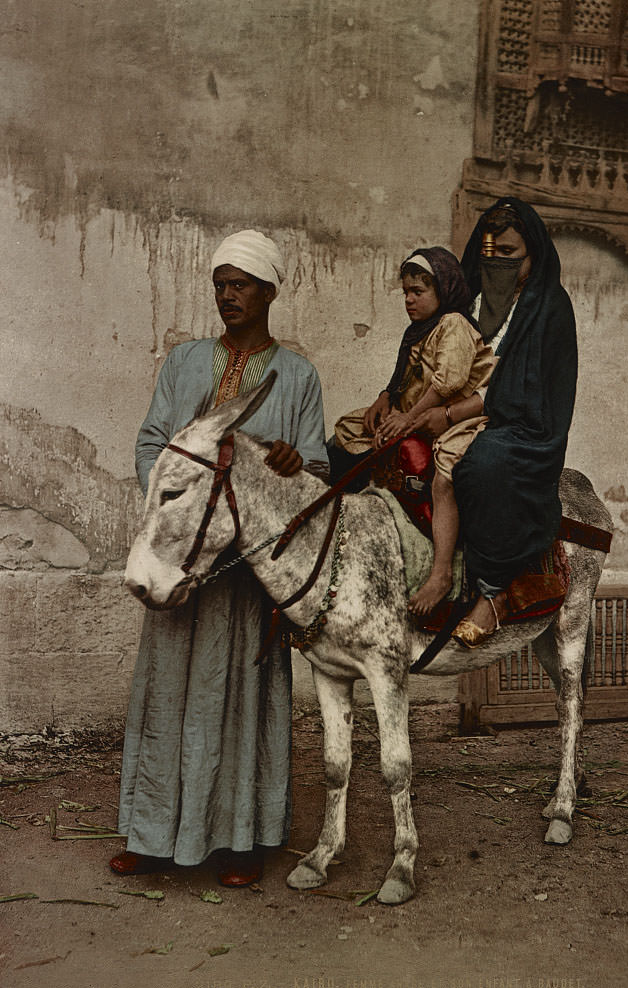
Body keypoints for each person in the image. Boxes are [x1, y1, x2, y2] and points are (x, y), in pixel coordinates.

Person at [110, 229, 329, 887]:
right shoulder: (182, 364)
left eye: (240, 285)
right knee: (169, 690)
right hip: (182, 559)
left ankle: (241, 842)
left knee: (240, 695)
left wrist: (293, 464)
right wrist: (177, 509)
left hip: (243, 576)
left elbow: (315, 467)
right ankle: (152, 838)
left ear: (269, 291)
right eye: (220, 285)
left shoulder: (298, 377)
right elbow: (152, 443)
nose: (227, 296)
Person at [411, 197, 577, 647]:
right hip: (451, 408)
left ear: (533, 255)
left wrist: (445, 414)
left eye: (508, 254)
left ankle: (494, 592)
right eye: (489, 253)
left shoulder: (549, 307)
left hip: (523, 425)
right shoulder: (470, 296)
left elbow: (523, 391)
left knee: (484, 465)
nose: (496, 262)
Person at [331, 246, 494, 615]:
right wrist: (384, 400)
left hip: (458, 417)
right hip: (417, 411)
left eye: (418, 292)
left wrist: (407, 420)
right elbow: (405, 380)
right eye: (405, 292)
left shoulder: (453, 324)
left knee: (444, 474)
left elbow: (445, 383)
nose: (409, 299)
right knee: (349, 431)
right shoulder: (417, 331)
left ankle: (441, 573)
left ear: (444, 290)